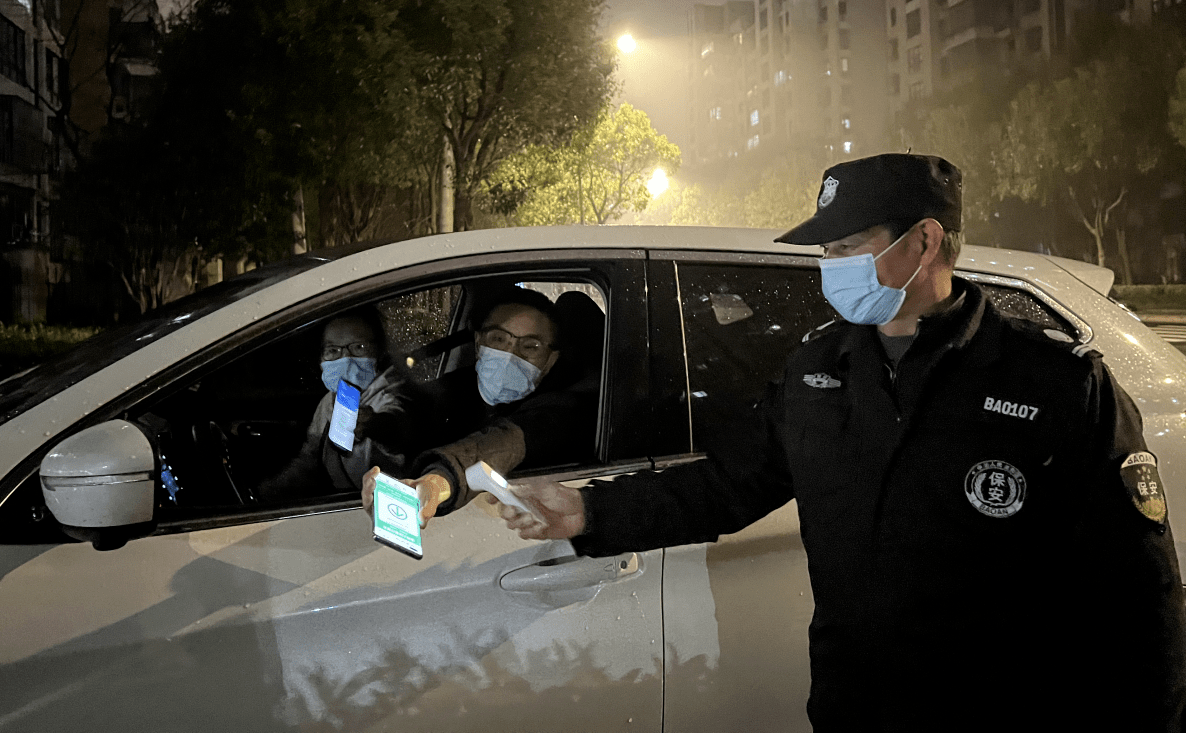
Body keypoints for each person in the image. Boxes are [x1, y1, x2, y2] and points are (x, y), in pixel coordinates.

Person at [500, 153, 1186, 732]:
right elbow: (728, 484)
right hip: (853, 709)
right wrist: (589, 514)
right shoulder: (818, 371)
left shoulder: (1059, 388)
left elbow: (1141, 599)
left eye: (847, 246)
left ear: (922, 241)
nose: (829, 266)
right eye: (826, 251)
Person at [362, 285, 596, 526]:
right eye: (498, 339)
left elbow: (503, 444)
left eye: (530, 347)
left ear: (550, 361)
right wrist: (377, 424)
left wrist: (439, 482)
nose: (509, 354)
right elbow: (416, 411)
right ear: (478, 343)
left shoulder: (561, 410)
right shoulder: (461, 385)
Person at [257, 305, 422, 499]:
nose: (346, 358)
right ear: (321, 358)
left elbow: (397, 423)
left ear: (379, 352)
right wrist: (270, 492)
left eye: (359, 348)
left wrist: (374, 424)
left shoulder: (392, 391)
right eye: (333, 350)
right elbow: (310, 457)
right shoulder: (330, 400)